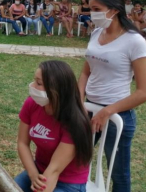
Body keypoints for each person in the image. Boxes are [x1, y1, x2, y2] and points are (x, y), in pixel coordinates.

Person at [78, 0, 146, 192]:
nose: (92, 13)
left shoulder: (134, 41)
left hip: (116, 114)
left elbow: (144, 92)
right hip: (89, 110)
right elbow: (85, 72)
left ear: (114, 10)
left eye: (96, 9)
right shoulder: (96, 33)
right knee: (73, 159)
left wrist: (107, 111)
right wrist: (78, 100)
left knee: (118, 173)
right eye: (90, 8)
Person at [15, 60, 93, 192]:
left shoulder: (75, 123)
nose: (32, 86)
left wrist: (39, 183)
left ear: (56, 90)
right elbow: (22, 143)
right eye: (35, 80)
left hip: (68, 181)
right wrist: (33, 174)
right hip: (39, 169)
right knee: (6, 186)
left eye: (39, 83)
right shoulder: (31, 104)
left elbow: (54, 170)